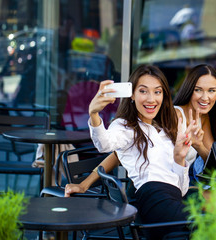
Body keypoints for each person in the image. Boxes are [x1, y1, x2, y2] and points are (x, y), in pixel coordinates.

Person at [65, 64, 198, 239]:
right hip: (152, 199)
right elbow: (104, 144)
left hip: (173, 199)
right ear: (132, 95)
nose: (151, 99)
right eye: (143, 91)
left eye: (157, 92)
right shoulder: (126, 127)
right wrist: (94, 114)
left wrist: (180, 158)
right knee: (209, 225)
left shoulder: (166, 131)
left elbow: (181, 189)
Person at [173, 64, 216, 166]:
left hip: (185, 180)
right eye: (198, 90)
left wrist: (199, 146)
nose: (205, 97)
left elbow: (214, 163)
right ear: (189, 89)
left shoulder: (203, 117)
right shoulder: (176, 115)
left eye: (211, 91)